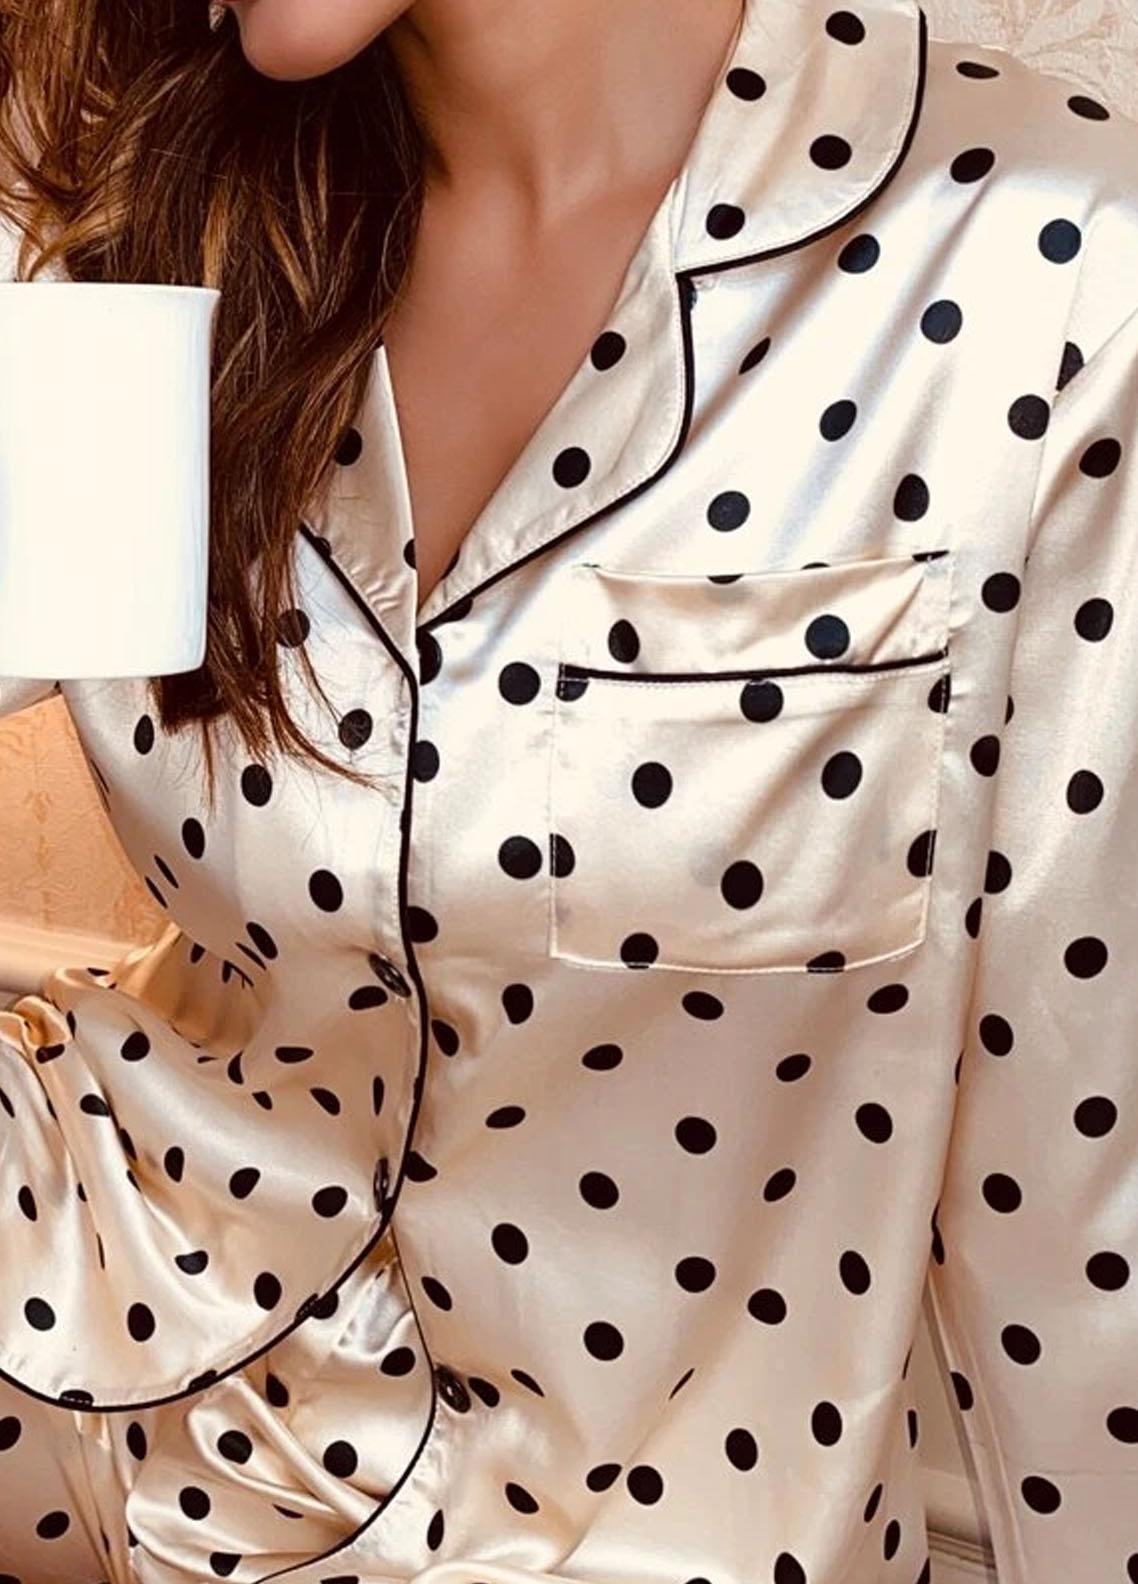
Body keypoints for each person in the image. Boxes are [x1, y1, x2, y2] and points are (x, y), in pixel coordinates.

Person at [0, 0, 1137, 1581]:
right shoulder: (140, 208)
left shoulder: (1052, 275)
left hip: (648, 1533)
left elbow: (1083, 1187)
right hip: (107, 1371)